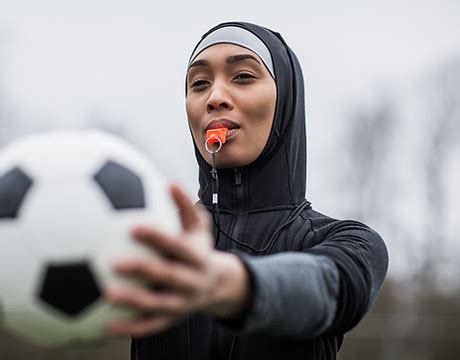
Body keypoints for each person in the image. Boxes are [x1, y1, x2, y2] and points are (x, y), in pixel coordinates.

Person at [106, 21, 389, 360]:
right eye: (199, 84)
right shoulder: (155, 239)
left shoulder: (350, 241)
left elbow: (333, 289)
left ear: (285, 100)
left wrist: (226, 284)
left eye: (242, 76)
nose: (215, 98)